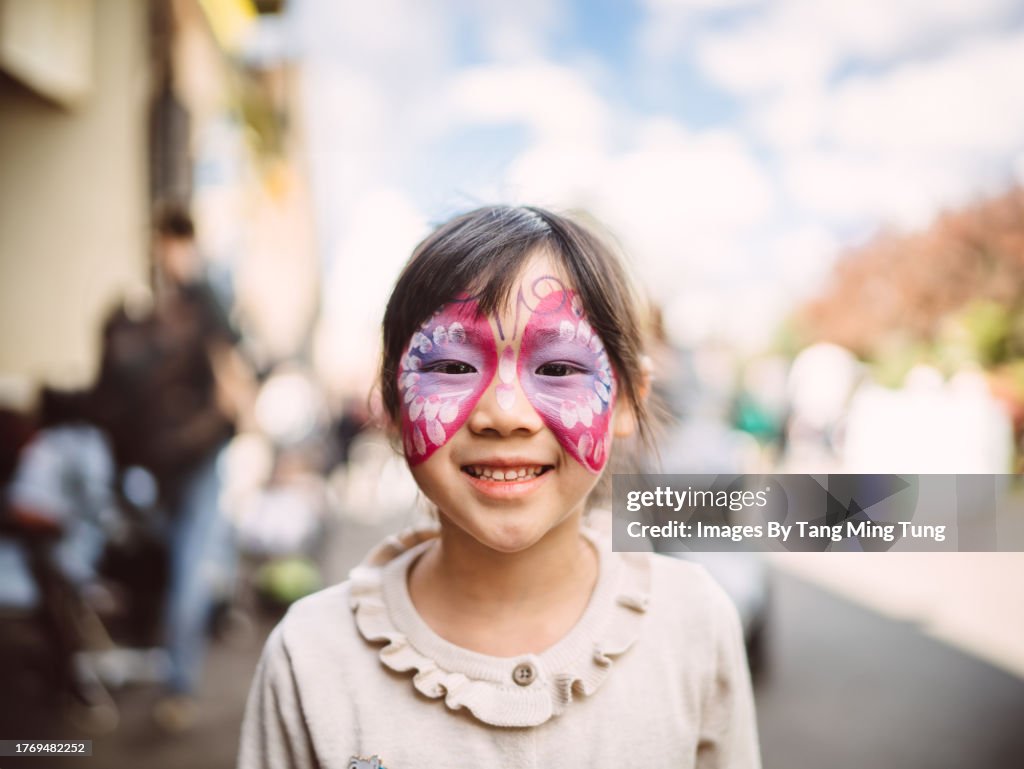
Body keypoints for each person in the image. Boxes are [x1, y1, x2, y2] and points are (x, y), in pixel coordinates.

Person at [237, 206, 760, 768]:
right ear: (390, 400)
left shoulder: (693, 622)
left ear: (629, 398)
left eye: (559, 368)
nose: (505, 413)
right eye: (453, 366)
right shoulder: (311, 658)